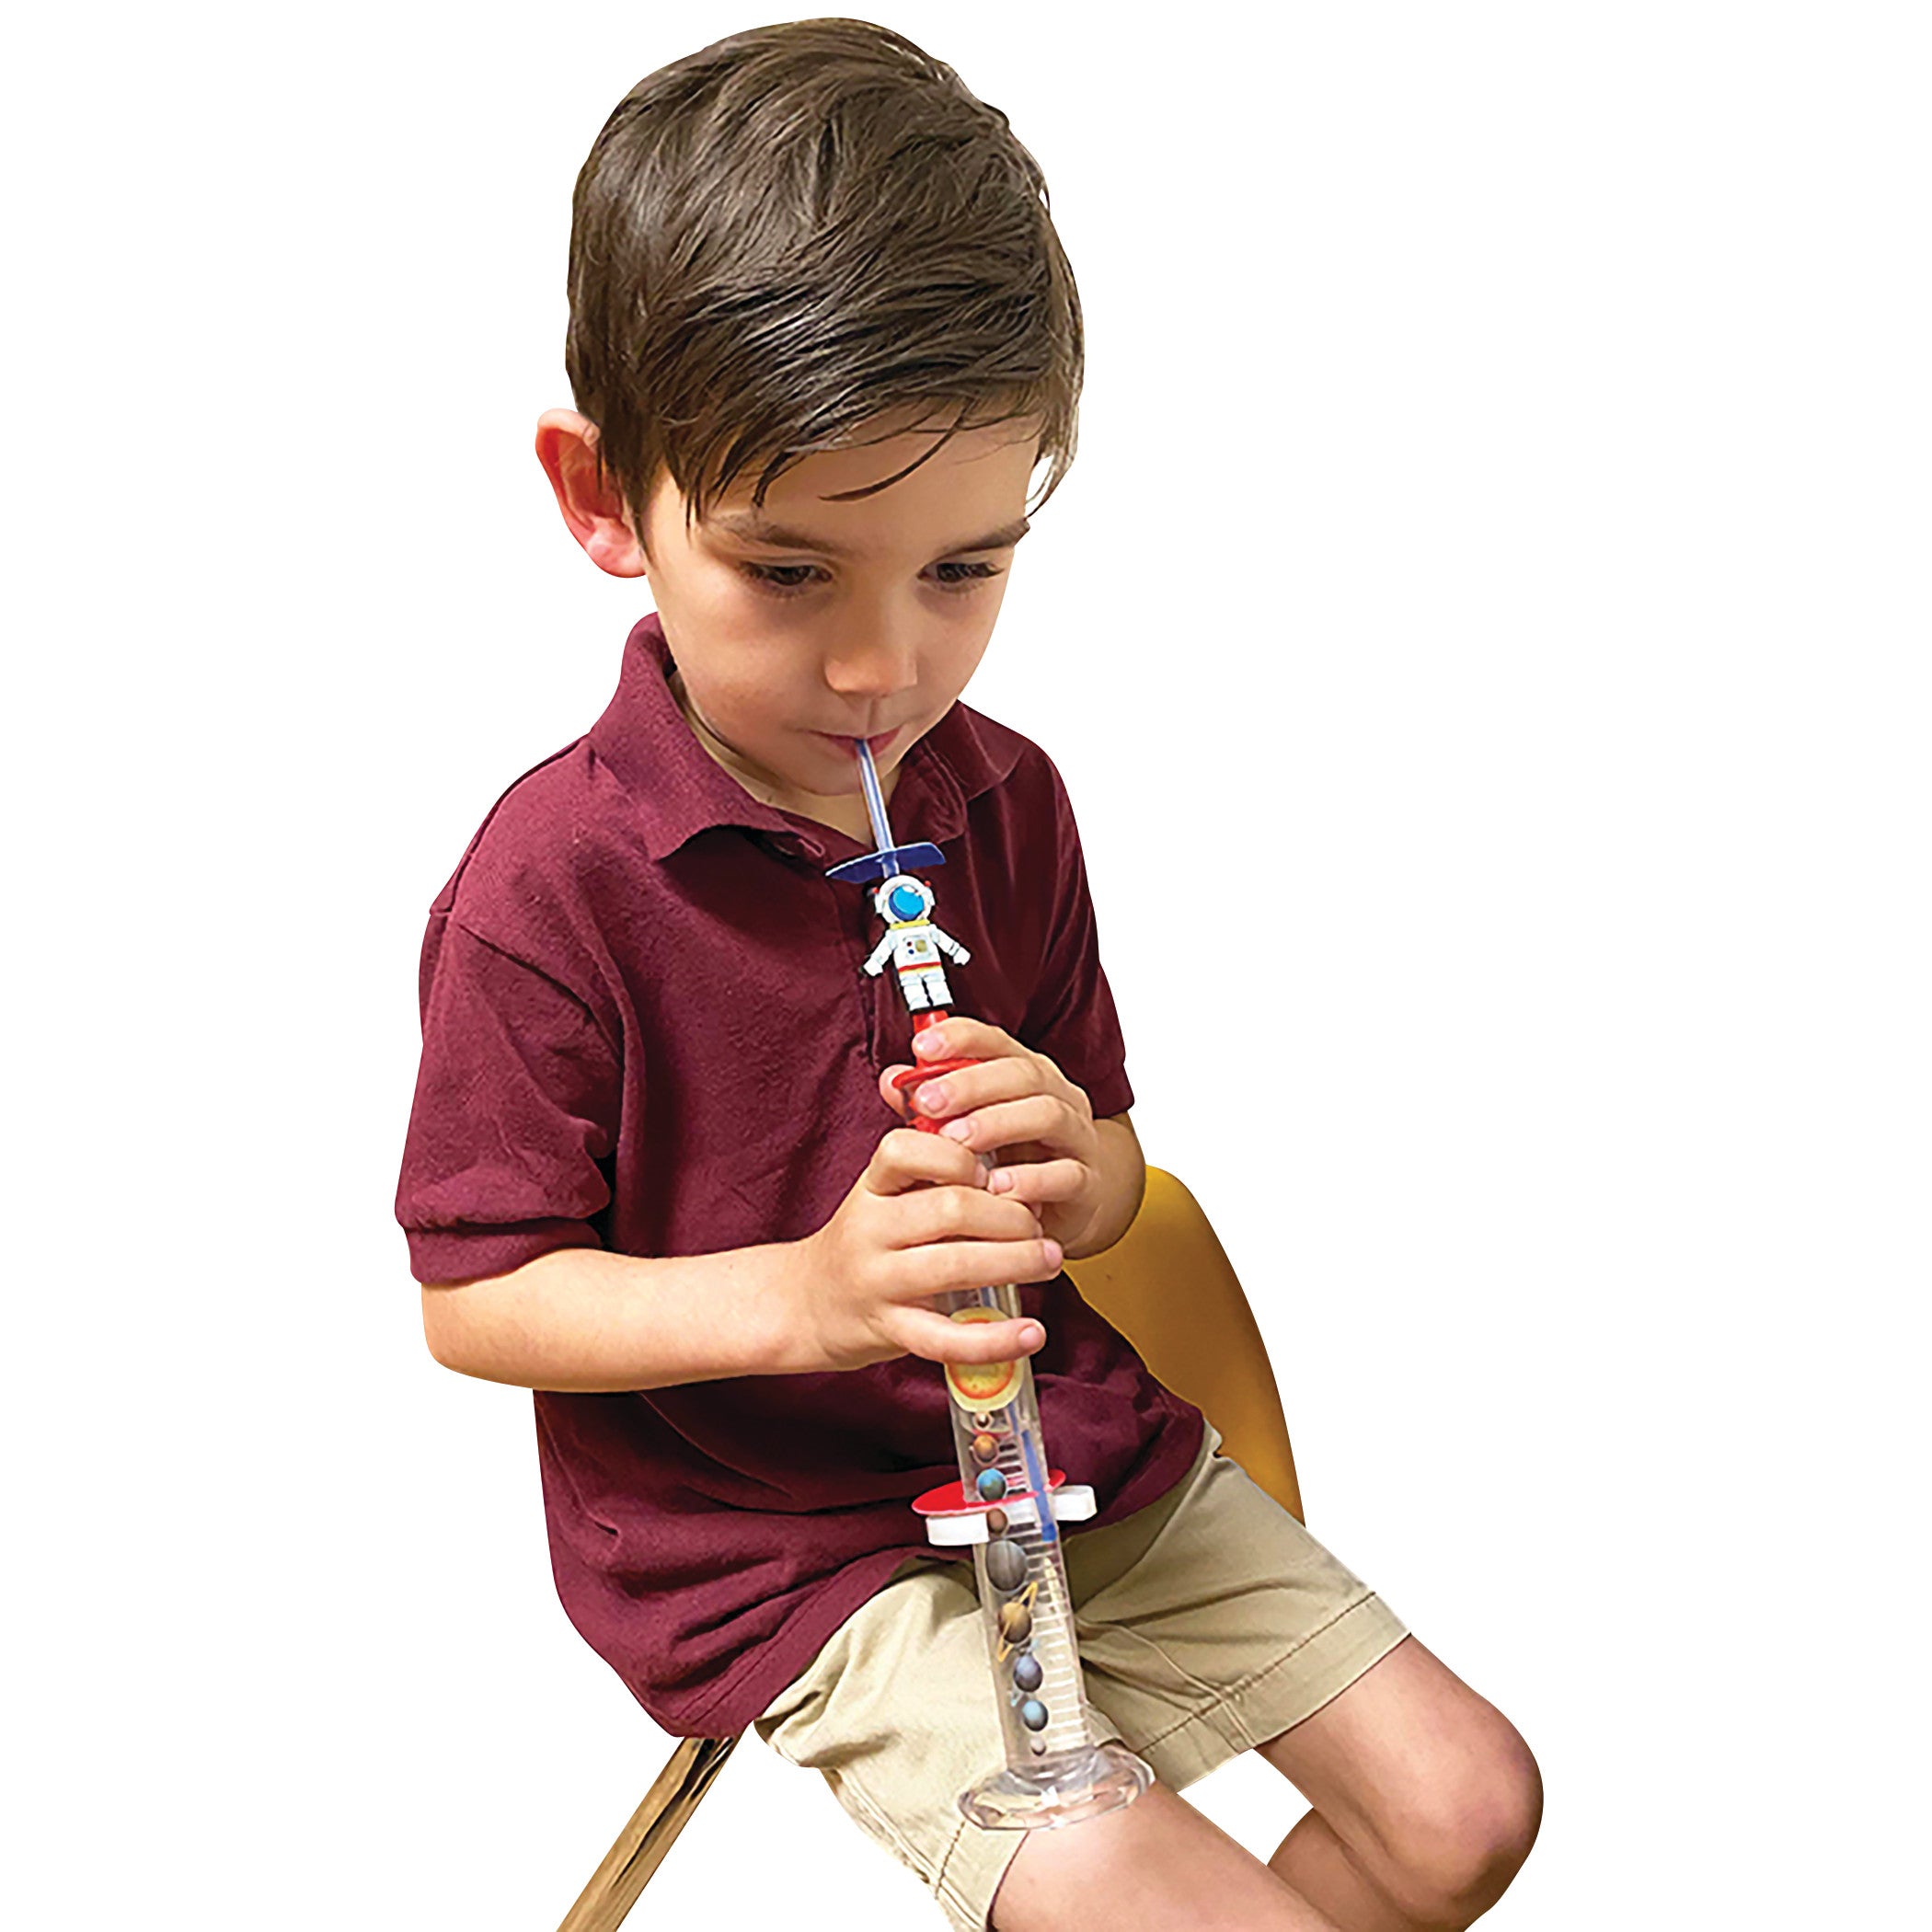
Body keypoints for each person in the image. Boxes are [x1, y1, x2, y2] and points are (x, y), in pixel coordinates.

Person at [395, 21, 1541, 1931]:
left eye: (962, 570)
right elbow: (477, 1301)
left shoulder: (1004, 802)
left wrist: (1075, 1169)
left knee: (1467, 1808)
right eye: (789, 573)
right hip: (777, 1544)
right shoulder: (551, 884)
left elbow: (1114, 1177)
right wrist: (809, 1296)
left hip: (1059, 1450)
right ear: (603, 498)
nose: (882, 671)